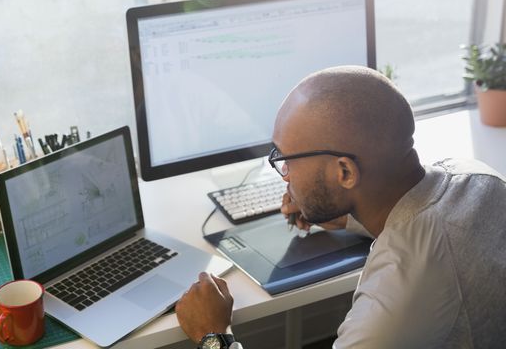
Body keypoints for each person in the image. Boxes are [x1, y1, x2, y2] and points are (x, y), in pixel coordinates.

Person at [175, 65, 506, 348]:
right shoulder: (479, 176)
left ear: (345, 172)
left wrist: (213, 335)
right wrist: (345, 218)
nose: (284, 175)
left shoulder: (389, 304)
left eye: (286, 160)